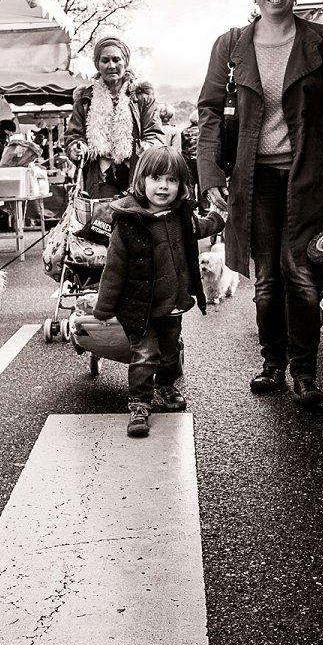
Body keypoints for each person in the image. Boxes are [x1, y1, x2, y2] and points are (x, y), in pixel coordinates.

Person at [197, 0, 323, 408]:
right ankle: (273, 362)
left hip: (310, 177)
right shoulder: (231, 46)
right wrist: (210, 172)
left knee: (303, 278)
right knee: (268, 279)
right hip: (255, 182)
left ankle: (305, 372)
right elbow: (210, 112)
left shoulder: (319, 42)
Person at [92, 148, 225, 437]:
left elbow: (202, 227)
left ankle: (165, 386)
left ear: (181, 185)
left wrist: (220, 218)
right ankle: (139, 402)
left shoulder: (181, 217)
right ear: (142, 181)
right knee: (145, 354)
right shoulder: (128, 221)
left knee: (170, 353)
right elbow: (114, 268)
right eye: (156, 178)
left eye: (172, 180)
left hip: (173, 302)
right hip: (138, 306)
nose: (164, 186)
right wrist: (104, 308)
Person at [64, 36, 164, 198]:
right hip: (101, 177)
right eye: (105, 60)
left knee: (135, 220)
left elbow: (155, 134)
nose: (111, 66)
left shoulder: (141, 98)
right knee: (104, 220)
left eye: (116, 60)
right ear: (97, 64)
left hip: (138, 173)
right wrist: (77, 146)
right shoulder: (85, 100)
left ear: (125, 62)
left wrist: (148, 146)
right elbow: (74, 136)